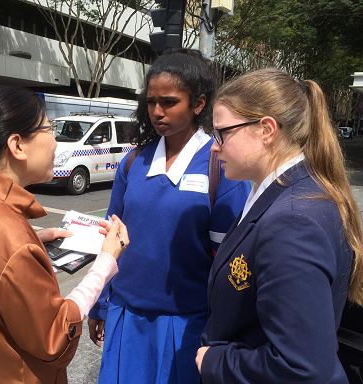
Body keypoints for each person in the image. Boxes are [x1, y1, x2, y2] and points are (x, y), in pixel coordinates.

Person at [0, 85, 129, 384]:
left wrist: (32, 243)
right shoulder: (9, 235)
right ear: (17, 145)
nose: (56, 142)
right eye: (49, 129)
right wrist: (104, 265)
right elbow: (55, 338)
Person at [196, 68, 363, 383]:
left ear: (266, 129)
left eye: (222, 132)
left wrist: (215, 361)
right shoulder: (289, 192)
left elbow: (301, 366)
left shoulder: (291, 220)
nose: (214, 146)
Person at [87, 50, 250, 383]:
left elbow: (229, 263)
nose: (157, 112)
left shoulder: (221, 168)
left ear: (199, 104)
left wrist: (224, 334)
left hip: (186, 325)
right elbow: (110, 236)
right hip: (125, 317)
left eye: (169, 102)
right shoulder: (134, 162)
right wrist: (100, 304)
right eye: (151, 102)